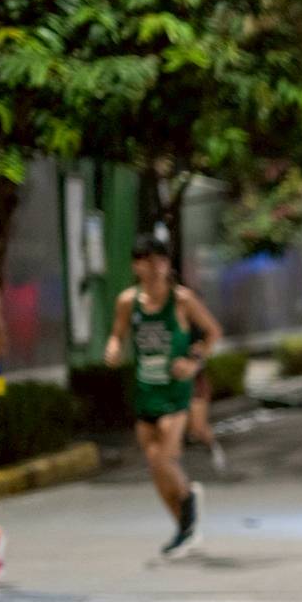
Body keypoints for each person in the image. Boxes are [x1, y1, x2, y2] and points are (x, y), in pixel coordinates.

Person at [104, 238, 223, 559]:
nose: (154, 268)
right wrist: (113, 347)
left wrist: (193, 361)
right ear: (136, 266)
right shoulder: (128, 302)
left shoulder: (182, 301)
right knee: (155, 468)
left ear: (168, 264)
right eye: (146, 261)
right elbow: (118, 333)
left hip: (175, 392)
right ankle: (184, 528)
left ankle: (189, 505)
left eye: (160, 260)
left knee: (164, 459)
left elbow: (213, 332)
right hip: (146, 391)